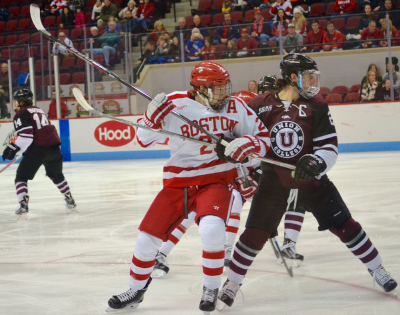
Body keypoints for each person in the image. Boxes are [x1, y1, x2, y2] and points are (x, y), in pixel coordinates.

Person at [217, 54, 398, 310]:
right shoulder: (259, 105)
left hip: (312, 182)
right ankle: (232, 284)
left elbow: (329, 147)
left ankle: (377, 269)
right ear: (292, 77)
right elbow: (244, 142)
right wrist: (229, 147)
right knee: (253, 235)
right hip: (273, 182)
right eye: (308, 76)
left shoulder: (317, 105)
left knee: (345, 225)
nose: (314, 82)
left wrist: (317, 162)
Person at [106, 61, 270, 313]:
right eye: (217, 89)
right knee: (145, 240)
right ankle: (136, 290)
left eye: (225, 87)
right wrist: (151, 120)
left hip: (216, 180)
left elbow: (263, 141)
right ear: (199, 89)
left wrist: (245, 146)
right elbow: (142, 140)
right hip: (178, 182)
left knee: (212, 230)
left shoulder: (235, 107)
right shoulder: (174, 104)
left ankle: (210, 290)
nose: (224, 94)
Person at [2, 89, 77, 217]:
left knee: (21, 177)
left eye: (16, 101)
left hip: (37, 149)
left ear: (21, 101)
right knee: (57, 176)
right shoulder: (38, 110)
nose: (15, 103)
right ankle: (70, 199)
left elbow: (26, 136)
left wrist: (12, 147)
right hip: (54, 148)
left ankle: (23, 205)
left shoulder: (21, 113)